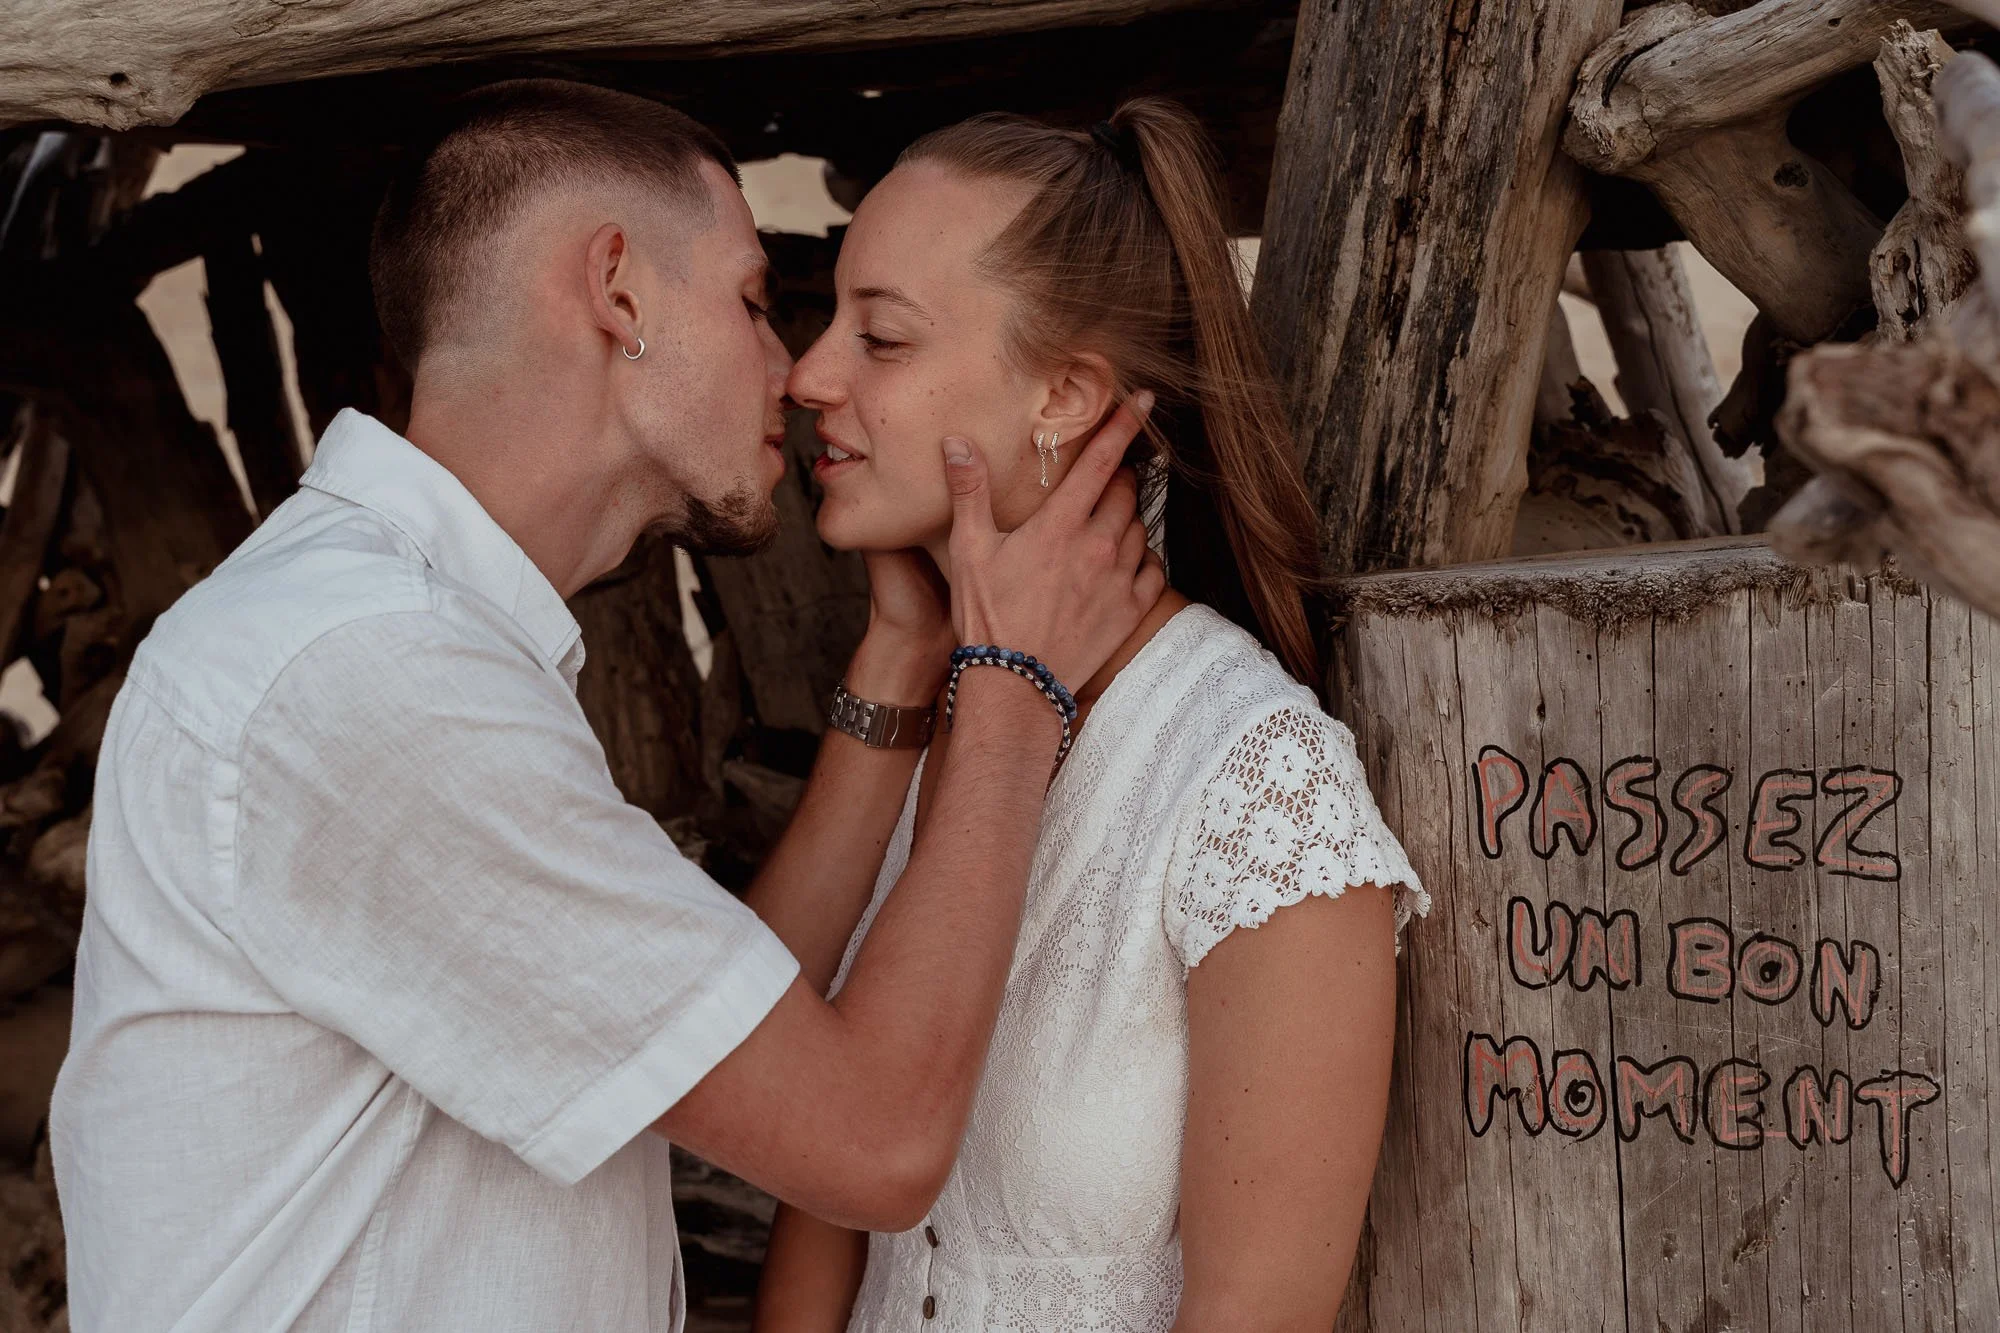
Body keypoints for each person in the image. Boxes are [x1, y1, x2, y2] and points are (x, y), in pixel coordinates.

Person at [49, 80, 1166, 1332]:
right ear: (618, 293)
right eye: (754, 303)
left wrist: (904, 657)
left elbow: (730, 1022)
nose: (793, 374)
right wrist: (1013, 687)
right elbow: (874, 1138)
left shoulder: (391, 639)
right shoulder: (369, 680)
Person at [751, 99, 1430, 1331]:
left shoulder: (1256, 786)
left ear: (1064, 395)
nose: (808, 376)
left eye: (882, 339)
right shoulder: (939, 722)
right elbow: (819, 1201)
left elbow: (1255, 1316)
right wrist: (910, 653)